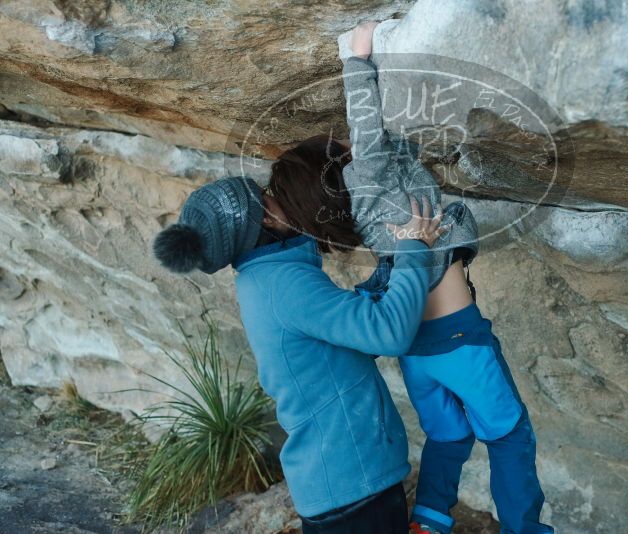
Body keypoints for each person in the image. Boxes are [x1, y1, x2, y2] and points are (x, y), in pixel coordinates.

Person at [152, 135, 448, 532]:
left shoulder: (265, 279)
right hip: (351, 487)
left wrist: (384, 277)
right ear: (269, 221)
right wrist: (413, 248)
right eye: (269, 196)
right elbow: (389, 333)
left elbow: (333, 337)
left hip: (338, 484)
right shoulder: (286, 284)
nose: (279, 196)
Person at [341, 22, 555, 534]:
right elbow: (365, 126)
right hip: (460, 341)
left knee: (449, 438)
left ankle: (429, 524)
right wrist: (358, 56)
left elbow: (389, 140)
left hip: (417, 353)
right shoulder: (372, 174)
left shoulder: (373, 208)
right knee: (510, 436)